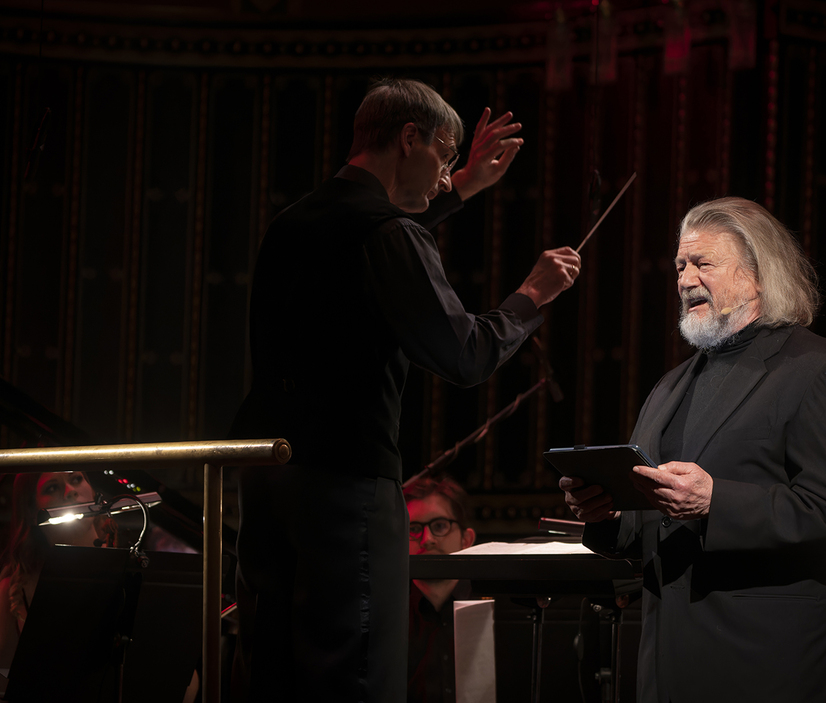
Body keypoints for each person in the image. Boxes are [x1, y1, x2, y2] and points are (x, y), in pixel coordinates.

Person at [230, 77, 581, 702]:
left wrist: (467, 184)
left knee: (274, 672)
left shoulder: (293, 222)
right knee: (357, 672)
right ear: (410, 137)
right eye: (445, 158)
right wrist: (530, 299)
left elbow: (372, 248)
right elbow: (465, 354)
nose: (447, 177)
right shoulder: (388, 233)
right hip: (347, 489)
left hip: (268, 482)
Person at [560, 196, 826, 702]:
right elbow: (655, 525)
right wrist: (608, 513)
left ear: (757, 275)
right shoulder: (669, 386)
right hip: (668, 664)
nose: (685, 280)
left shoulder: (824, 370)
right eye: (681, 265)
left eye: (703, 263)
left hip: (765, 663)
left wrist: (716, 502)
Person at [0, 471, 115, 701]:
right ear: (32, 512)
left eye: (76, 479)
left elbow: (188, 686)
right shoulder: (14, 590)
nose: (70, 491)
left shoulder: (129, 573)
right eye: (52, 488)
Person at [404, 475, 476, 703]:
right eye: (414, 528)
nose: (427, 539)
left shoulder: (495, 610)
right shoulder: (384, 615)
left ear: (466, 539)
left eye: (440, 526)